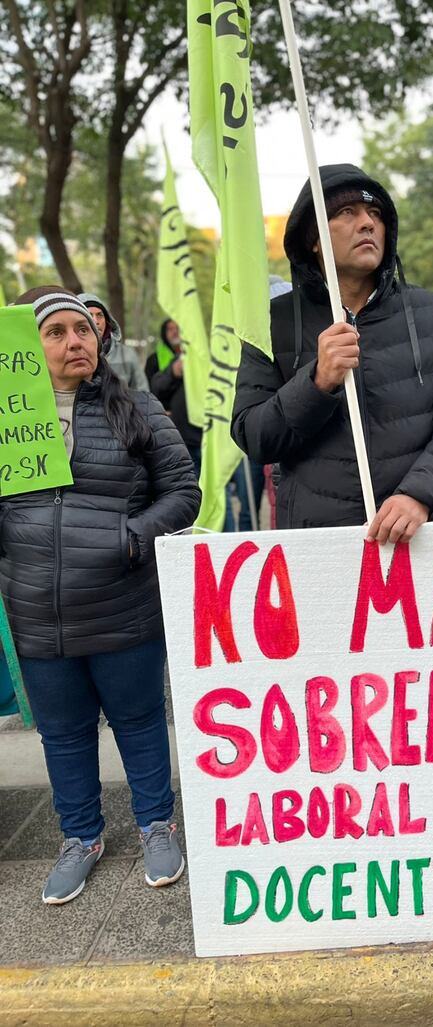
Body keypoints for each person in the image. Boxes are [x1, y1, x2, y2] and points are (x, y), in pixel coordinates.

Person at [2, 287, 201, 904]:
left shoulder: (136, 408)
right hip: (38, 614)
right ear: (29, 350)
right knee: (62, 734)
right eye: (56, 332)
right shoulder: (8, 423)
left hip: (123, 605)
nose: (74, 342)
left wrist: (133, 537)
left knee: (140, 721)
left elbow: (182, 491)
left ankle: (156, 824)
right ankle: (80, 837)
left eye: (82, 330)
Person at [231, 163, 433, 540]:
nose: (367, 223)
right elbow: (254, 436)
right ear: (313, 238)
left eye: (376, 213)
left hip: (420, 539)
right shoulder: (272, 324)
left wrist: (420, 494)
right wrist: (317, 383)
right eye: (346, 212)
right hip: (317, 546)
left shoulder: (431, 313)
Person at [145, 319, 202, 476]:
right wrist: (174, 372)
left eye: (177, 328)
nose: (174, 332)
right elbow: (152, 389)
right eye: (170, 329)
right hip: (175, 430)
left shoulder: (200, 356)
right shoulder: (154, 360)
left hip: (202, 430)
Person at [78, 292, 148, 391]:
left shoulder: (127, 355)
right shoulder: (70, 354)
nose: (95, 321)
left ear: (107, 320)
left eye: (99, 315)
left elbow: (144, 397)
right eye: (89, 315)